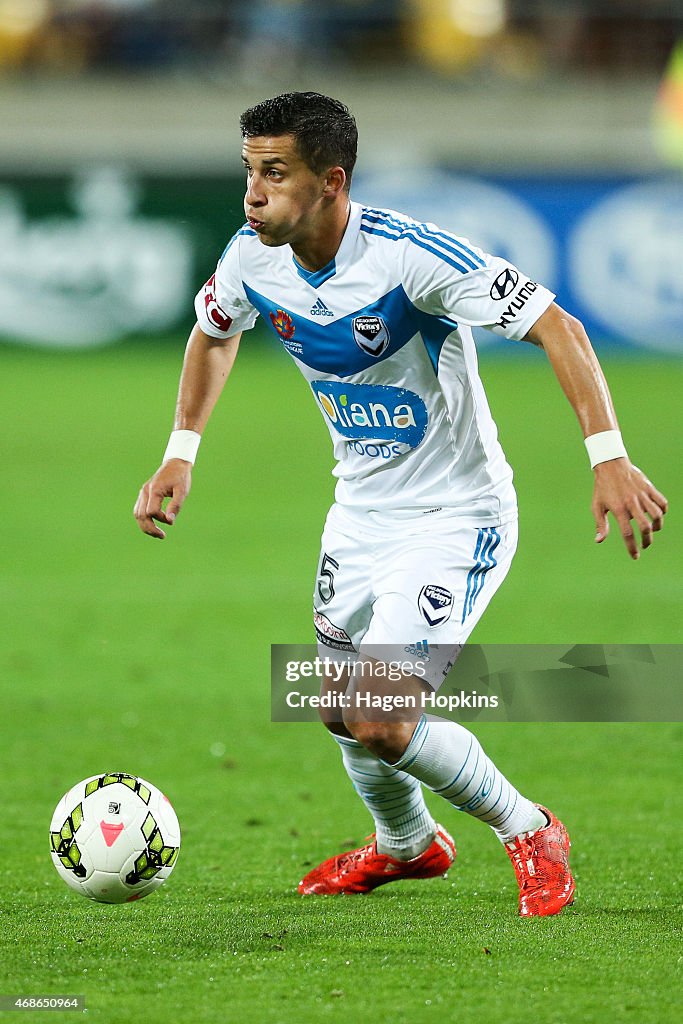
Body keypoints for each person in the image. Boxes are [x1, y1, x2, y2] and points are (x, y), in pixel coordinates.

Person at [134, 92, 668, 917]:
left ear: (330, 180)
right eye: (249, 172)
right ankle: (408, 847)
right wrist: (180, 451)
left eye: (274, 174)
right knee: (336, 709)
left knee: (380, 716)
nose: (253, 194)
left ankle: (529, 827)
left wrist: (609, 459)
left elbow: (558, 326)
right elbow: (213, 329)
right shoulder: (250, 256)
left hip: (456, 517)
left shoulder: (411, 258)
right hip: (358, 514)